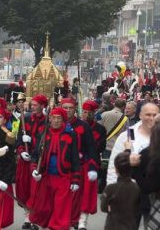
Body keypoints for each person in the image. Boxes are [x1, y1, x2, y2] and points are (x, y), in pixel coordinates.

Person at [30, 107, 80, 230]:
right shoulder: (44, 133)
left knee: (61, 207)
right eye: (53, 118)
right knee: (43, 207)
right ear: (50, 119)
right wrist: (34, 169)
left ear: (63, 120)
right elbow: (36, 154)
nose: (56, 121)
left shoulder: (71, 134)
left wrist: (75, 179)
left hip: (63, 177)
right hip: (45, 176)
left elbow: (75, 157)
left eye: (59, 118)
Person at [60, 98, 98, 228]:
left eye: (70, 108)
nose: (68, 111)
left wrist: (92, 166)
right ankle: (66, 220)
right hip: (62, 168)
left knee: (82, 196)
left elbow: (91, 147)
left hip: (80, 166)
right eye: (65, 108)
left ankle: (81, 222)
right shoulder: (56, 124)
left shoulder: (83, 126)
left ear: (75, 109)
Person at [16, 94, 48, 229]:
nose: (33, 107)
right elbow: (19, 139)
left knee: (35, 191)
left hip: (37, 161)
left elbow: (45, 142)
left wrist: (33, 142)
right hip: (25, 160)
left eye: (36, 105)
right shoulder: (26, 118)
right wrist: (21, 150)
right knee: (24, 189)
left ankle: (31, 219)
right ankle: (27, 216)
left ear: (42, 106)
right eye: (32, 105)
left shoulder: (47, 121)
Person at [79, 100, 107, 229]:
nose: (86, 115)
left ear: (94, 113)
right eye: (84, 112)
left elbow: (101, 146)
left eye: (89, 112)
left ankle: (83, 221)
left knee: (87, 193)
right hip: (75, 164)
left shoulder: (100, 129)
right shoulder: (75, 125)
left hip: (90, 163)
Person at [101, 151, 140, 230]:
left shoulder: (110, 188)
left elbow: (103, 207)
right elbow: (137, 208)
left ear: (116, 169)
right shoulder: (136, 188)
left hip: (113, 225)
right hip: (130, 225)